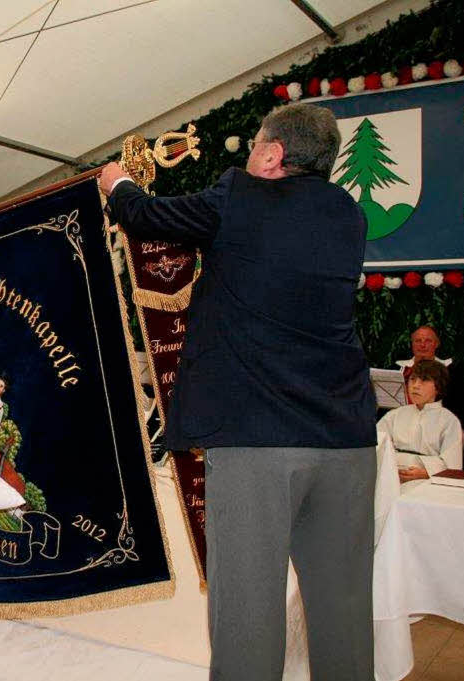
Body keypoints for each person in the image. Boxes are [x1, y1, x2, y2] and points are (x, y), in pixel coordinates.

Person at [100, 103, 376, 681]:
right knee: (344, 608)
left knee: (247, 612)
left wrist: (117, 183)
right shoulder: (349, 215)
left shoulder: (242, 198)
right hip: (346, 442)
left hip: (258, 442)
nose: (250, 155)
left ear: (272, 155)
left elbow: (147, 216)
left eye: (255, 145)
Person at [377, 359, 463, 481]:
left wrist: (426, 473)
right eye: (413, 379)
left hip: (428, 481)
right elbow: (377, 444)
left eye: (424, 380)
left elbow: (453, 464)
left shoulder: (448, 420)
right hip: (390, 476)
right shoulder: (395, 415)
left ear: (438, 387)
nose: (415, 386)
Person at [395, 325, 452, 405]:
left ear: (436, 344)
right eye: (418, 341)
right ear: (412, 344)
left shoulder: (449, 371)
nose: (422, 345)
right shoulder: (398, 368)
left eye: (428, 341)